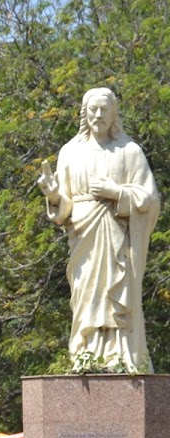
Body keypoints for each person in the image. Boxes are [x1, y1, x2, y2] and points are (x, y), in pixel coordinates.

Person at [37, 87, 160, 373]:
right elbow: (64, 210)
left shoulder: (129, 151)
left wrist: (116, 192)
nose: (99, 114)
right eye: (93, 109)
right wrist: (54, 196)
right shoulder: (70, 152)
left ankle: (120, 357)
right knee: (86, 297)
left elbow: (150, 200)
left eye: (105, 109)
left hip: (119, 241)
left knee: (118, 298)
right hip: (84, 240)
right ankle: (87, 356)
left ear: (114, 113)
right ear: (84, 112)